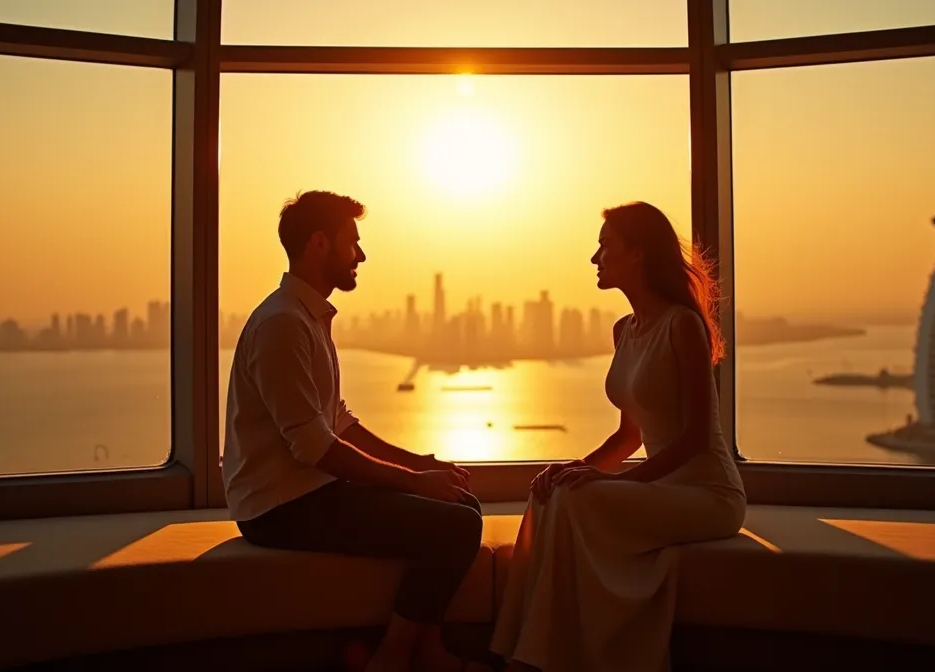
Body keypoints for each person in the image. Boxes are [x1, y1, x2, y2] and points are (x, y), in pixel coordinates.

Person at [473, 202, 747, 672]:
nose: (594, 258)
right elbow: (628, 435)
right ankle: (523, 650)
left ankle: (543, 659)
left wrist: (619, 483)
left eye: (605, 246)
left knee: (575, 500)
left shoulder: (682, 325)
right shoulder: (625, 331)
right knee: (550, 491)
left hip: (708, 495)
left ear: (638, 253)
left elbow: (697, 439)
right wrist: (579, 468)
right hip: (661, 489)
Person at [224, 190, 483, 672]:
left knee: (460, 504)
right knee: (458, 524)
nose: (360, 255)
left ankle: (427, 648)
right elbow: (313, 446)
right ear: (320, 244)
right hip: (279, 508)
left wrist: (421, 465)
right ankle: (392, 657)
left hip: (307, 492)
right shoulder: (282, 325)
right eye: (353, 242)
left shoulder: (307, 317)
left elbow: (337, 421)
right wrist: (413, 482)